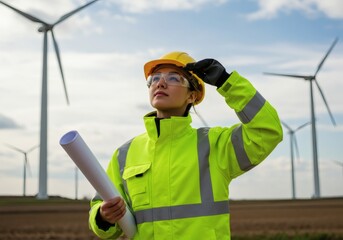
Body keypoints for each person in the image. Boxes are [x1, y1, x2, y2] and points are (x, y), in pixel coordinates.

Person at [88, 51, 283, 239]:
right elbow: (102, 214)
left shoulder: (215, 145)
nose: (161, 83)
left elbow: (267, 130)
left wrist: (226, 82)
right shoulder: (125, 154)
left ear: (192, 96)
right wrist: (103, 217)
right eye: (155, 78)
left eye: (174, 78)